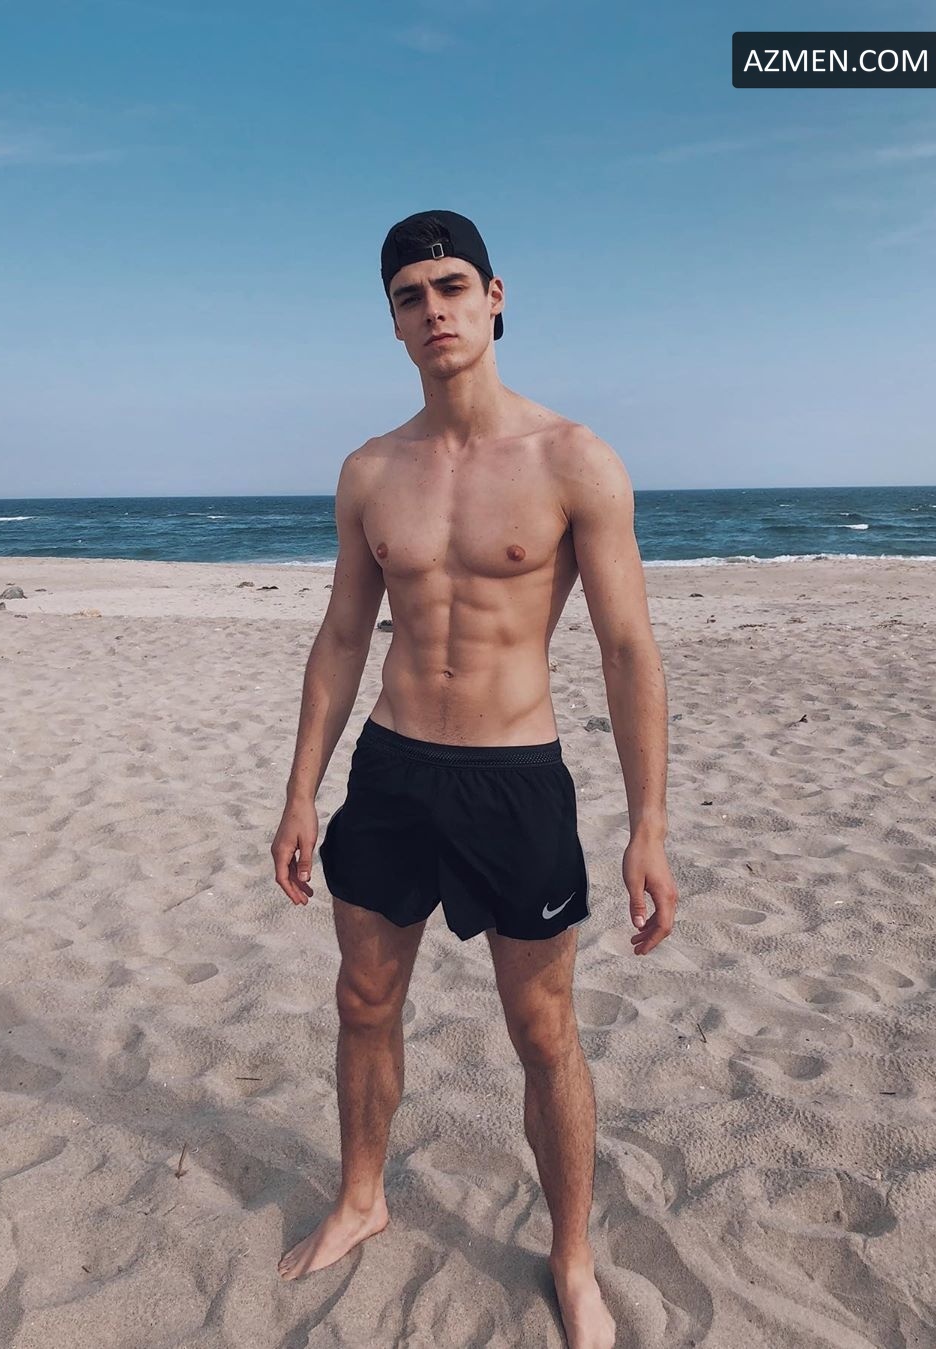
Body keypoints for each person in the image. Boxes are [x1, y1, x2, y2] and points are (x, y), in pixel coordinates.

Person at [271, 210, 678, 1349]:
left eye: (451, 285)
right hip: (392, 771)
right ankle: (363, 1195)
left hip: (515, 779)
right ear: (393, 322)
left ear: (495, 297)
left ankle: (572, 1256)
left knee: (543, 1032)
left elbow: (628, 648)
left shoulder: (573, 459)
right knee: (363, 999)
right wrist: (301, 790)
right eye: (410, 295)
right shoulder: (370, 470)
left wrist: (648, 824)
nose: (434, 309)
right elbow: (342, 635)